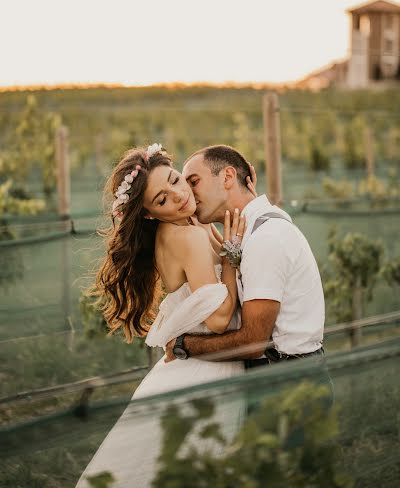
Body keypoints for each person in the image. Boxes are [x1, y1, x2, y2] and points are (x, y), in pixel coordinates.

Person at [75, 143, 254, 488]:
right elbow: (217, 320)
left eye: (175, 180)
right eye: (161, 200)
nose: (178, 195)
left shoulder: (184, 227)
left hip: (191, 365)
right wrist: (232, 256)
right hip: (204, 370)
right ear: (148, 214)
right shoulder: (188, 236)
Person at [165, 144, 326, 370]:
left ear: (228, 176)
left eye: (193, 182)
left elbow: (253, 343)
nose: (187, 193)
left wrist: (183, 344)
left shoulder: (266, 237)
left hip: (289, 381)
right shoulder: (250, 231)